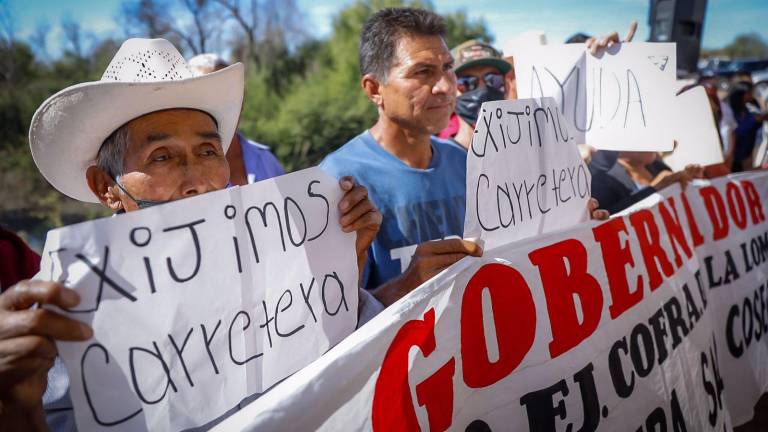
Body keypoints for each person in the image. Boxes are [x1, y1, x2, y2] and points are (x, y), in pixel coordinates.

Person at [0, 38, 383, 431]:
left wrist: (343, 265)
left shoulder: (278, 247)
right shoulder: (63, 305)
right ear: (106, 187)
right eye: (162, 156)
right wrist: (16, 408)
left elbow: (353, 361)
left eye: (207, 151)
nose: (197, 181)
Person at [321, 7, 609, 307]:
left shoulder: (467, 163)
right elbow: (328, 324)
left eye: (447, 68)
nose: (447, 87)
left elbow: (511, 255)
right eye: (422, 72)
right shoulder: (338, 182)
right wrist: (406, 287)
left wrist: (570, 224)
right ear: (374, 89)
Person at [188, 53, 285, 185]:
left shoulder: (265, 158)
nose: (223, 102)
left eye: (231, 90)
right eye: (208, 95)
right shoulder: (183, 176)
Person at [591, 151, 703, 214]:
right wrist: (655, 187)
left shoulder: (657, 166)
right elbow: (610, 216)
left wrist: (693, 179)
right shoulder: (603, 179)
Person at [450, 39, 510, 150]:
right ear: (449, 92)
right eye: (467, 82)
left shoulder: (525, 150)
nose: (483, 89)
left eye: (493, 79)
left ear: (507, 87)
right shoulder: (443, 162)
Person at [728, 82, 768, 172]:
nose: (751, 95)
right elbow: (737, 131)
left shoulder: (748, 108)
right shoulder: (731, 112)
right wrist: (755, 120)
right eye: (748, 93)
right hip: (736, 157)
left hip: (748, 154)